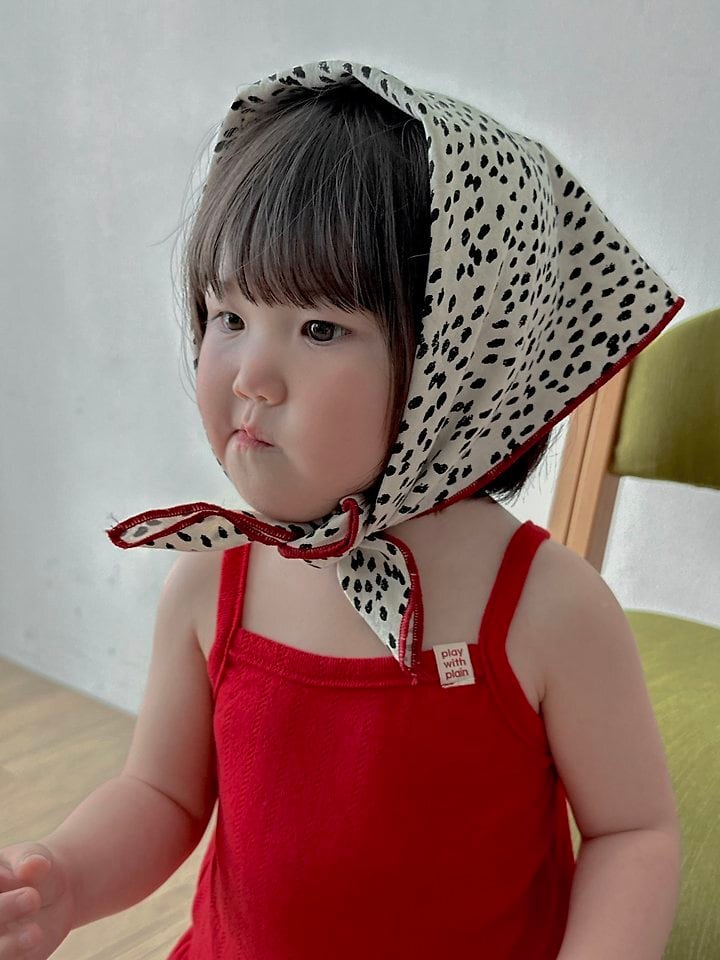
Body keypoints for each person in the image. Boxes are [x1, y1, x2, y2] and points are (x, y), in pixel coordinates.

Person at [0, 60, 684, 959]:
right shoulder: (212, 579)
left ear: (462, 361)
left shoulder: (546, 608)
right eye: (228, 315)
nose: (250, 375)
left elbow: (633, 833)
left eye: (320, 328)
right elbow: (161, 794)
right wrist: (67, 879)